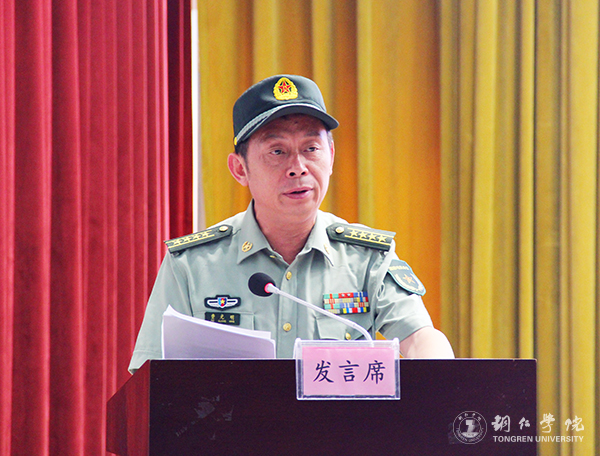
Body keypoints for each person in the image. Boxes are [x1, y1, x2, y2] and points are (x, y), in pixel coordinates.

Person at [129, 74, 453, 373]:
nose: (298, 167)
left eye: (311, 148)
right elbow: (149, 378)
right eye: (277, 151)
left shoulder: (367, 258)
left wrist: (439, 376)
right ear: (240, 169)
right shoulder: (191, 265)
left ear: (331, 156)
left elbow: (421, 338)